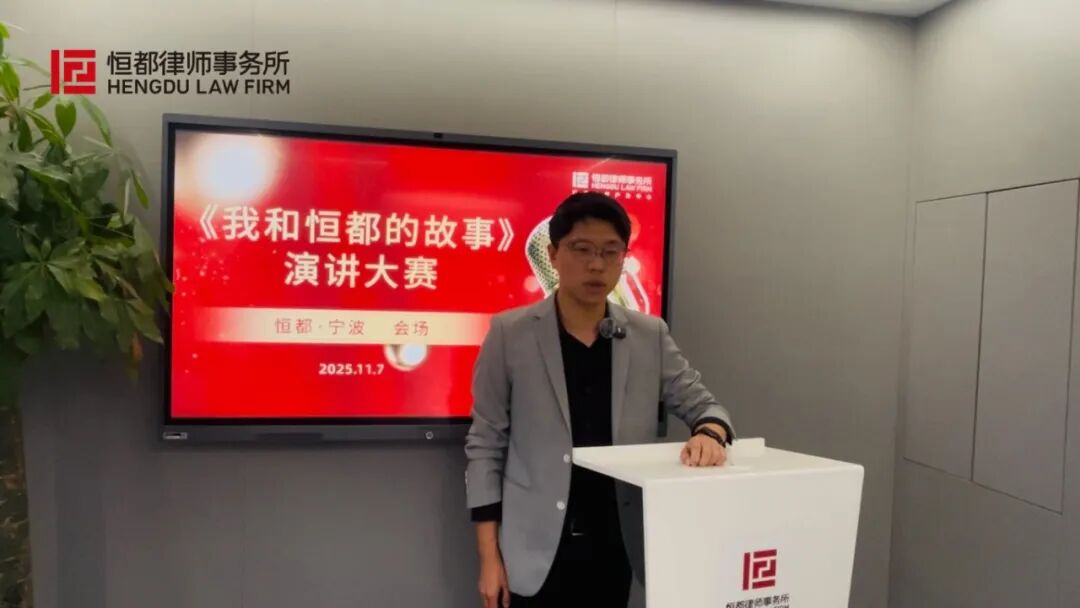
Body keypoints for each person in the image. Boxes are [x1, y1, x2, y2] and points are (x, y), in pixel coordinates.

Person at [464, 191, 734, 608]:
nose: (596, 265)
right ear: (553, 255)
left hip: (616, 544)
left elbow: (707, 407)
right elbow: (485, 445)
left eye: (611, 252)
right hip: (534, 551)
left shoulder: (649, 335)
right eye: (582, 249)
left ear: (623, 259)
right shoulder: (510, 334)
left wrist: (710, 434)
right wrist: (489, 558)